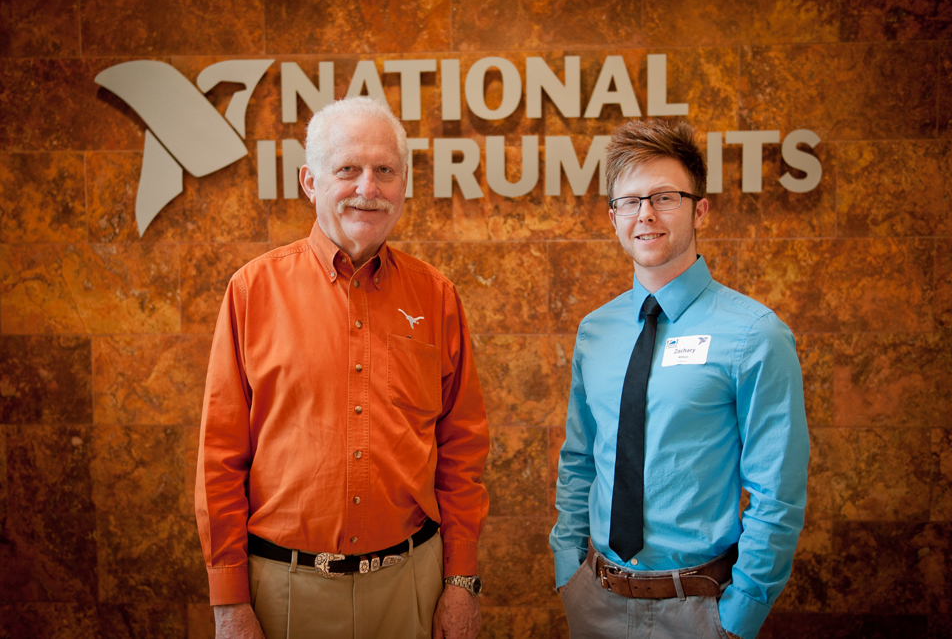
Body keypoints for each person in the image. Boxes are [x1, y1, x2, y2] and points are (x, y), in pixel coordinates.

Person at [196, 97, 489, 639]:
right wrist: (229, 603)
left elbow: (463, 447)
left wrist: (461, 581)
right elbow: (220, 458)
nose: (367, 189)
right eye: (348, 169)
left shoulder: (437, 297)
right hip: (283, 591)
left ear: (404, 182)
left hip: (411, 586)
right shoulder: (251, 292)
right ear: (310, 181)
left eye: (384, 171)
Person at [549, 119, 809, 639]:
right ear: (614, 217)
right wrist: (567, 570)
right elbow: (579, 459)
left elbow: (777, 491)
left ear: (700, 209)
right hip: (594, 601)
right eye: (630, 201)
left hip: (700, 610)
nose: (645, 214)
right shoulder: (595, 331)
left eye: (664, 197)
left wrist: (738, 617)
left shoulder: (755, 334)